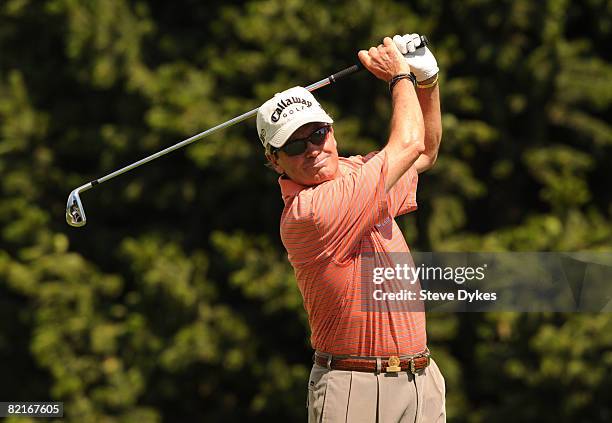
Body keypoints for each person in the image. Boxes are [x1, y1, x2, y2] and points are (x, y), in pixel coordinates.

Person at [256, 33, 444, 422]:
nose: (312, 149)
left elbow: (424, 151)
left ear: (331, 130)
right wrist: (399, 77)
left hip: (420, 380)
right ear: (275, 162)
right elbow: (407, 145)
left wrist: (427, 81)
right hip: (356, 387)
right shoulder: (310, 213)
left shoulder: (358, 172)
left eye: (317, 134)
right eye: (294, 146)